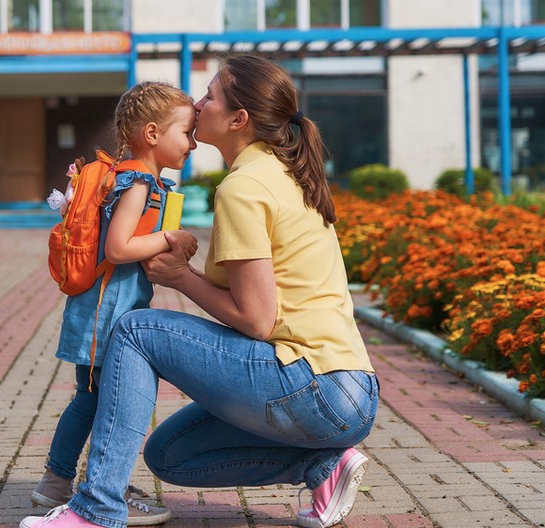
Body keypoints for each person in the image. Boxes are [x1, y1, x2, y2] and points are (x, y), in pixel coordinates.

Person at [20, 55, 378, 528]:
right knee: (169, 456)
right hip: (346, 389)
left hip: (314, 384)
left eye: (211, 94)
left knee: (134, 330)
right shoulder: (282, 173)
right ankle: (324, 466)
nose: (198, 102)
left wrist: (180, 278)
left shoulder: (245, 185)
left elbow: (257, 320)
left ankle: (96, 509)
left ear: (238, 120)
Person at [29, 81, 199, 527]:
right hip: (106, 316)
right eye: (187, 132)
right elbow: (120, 248)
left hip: (101, 311)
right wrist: (170, 237)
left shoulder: (131, 177)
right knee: (101, 402)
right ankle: (89, 482)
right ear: (151, 133)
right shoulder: (138, 182)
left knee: (90, 398)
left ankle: (59, 480)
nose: (194, 143)